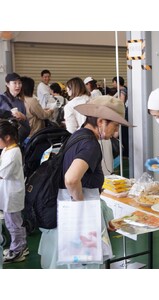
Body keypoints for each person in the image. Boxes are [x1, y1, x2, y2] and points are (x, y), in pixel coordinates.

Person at [38, 95, 133, 269]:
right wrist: (81, 208)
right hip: (74, 218)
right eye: (115, 125)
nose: (116, 131)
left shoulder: (78, 135)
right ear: (102, 121)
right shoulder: (90, 145)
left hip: (61, 212)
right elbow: (71, 179)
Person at [0, 119, 28, 264]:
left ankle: (17, 251)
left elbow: (2, 173)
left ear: (7, 137)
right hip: (8, 192)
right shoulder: (8, 149)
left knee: (13, 223)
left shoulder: (13, 154)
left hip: (11, 194)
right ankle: (22, 246)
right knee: (15, 221)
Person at [0, 73, 31, 147]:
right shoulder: (1, 99)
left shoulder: (20, 102)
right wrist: (10, 114)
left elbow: (26, 125)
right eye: (15, 83)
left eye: (19, 83)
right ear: (7, 84)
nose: (18, 86)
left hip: (16, 141)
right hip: (3, 141)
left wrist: (23, 117)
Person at [21, 76, 54, 142]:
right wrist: (51, 111)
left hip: (25, 133)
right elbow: (43, 115)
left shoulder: (20, 99)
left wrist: (42, 110)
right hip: (34, 134)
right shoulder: (32, 101)